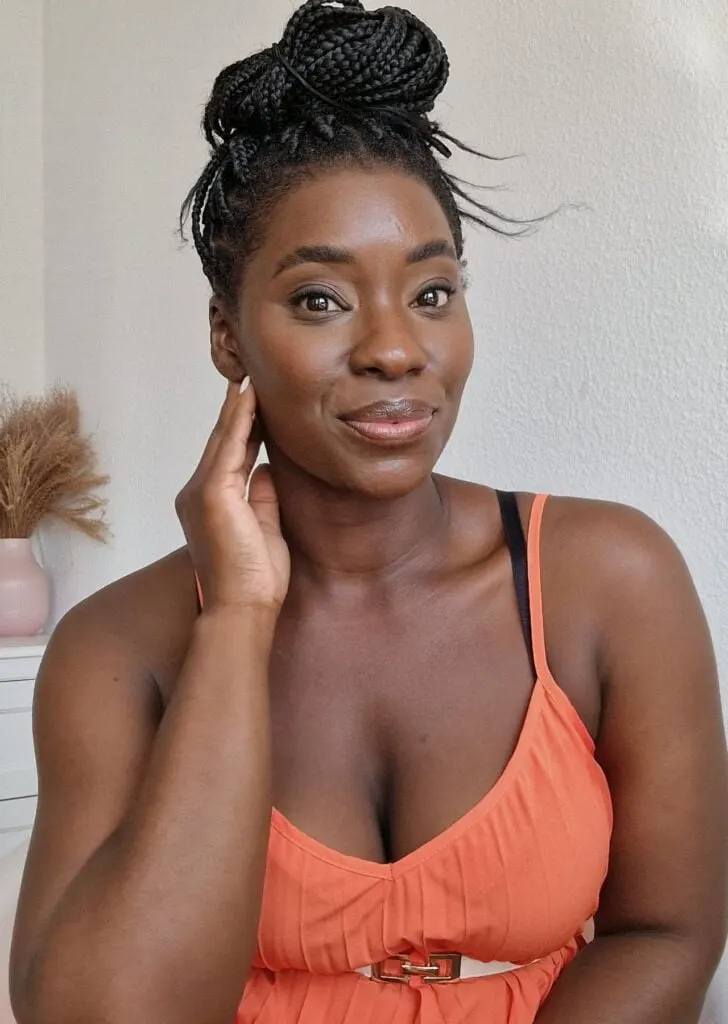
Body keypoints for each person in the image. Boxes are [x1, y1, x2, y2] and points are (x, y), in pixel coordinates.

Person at [8, 1, 728, 1022]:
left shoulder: (609, 581)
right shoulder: (117, 649)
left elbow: (667, 933)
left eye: (432, 293)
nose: (395, 349)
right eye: (321, 299)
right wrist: (236, 620)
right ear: (227, 336)